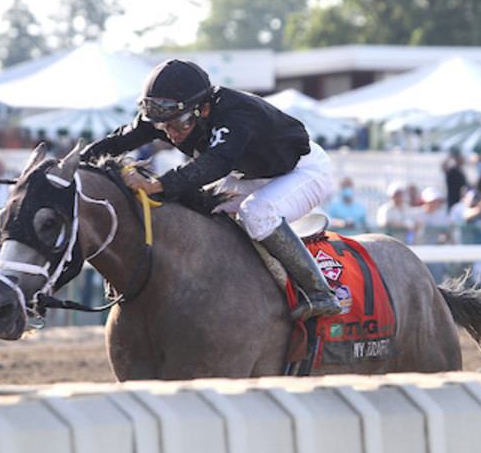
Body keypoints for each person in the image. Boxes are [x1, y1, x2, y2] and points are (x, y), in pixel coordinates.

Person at [82, 58, 341, 320]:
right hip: (249, 174)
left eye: (177, 123)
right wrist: (75, 162)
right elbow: (120, 139)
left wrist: (156, 184)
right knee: (198, 207)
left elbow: (216, 163)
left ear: (204, 109)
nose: (169, 132)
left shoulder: (237, 113)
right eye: (162, 125)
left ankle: (319, 291)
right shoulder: (170, 114)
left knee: (256, 212)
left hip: (303, 171)